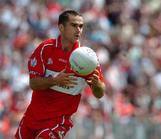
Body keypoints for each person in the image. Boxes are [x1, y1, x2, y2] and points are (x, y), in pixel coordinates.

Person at [15, 9, 105, 139]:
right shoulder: (45, 49)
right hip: (32, 117)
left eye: (81, 26)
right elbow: (33, 84)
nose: (78, 30)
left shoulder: (87, 59)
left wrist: (97, 85)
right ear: (61, 27)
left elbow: (99, 93)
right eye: (74, 25)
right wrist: (55, 80)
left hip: (58, 122)